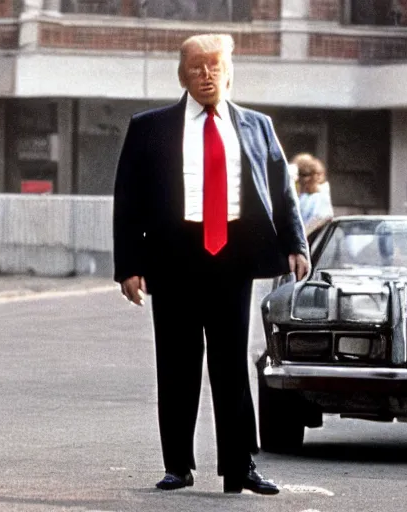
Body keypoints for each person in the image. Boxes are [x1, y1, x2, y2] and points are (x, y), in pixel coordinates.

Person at [112, 33, 309, 495]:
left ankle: (240, 466)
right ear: (182, 75)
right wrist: (129, 265)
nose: (206, 75)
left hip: (233, 257)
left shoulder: (257, 126)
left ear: (229, 72)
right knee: (176, 364)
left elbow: (281, 190)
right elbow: (128, 200)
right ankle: (177, 465)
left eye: (215, 66)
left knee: (231, 365)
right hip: (175, 255)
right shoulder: (150, 127)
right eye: (197, 67)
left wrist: (296, 243)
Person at [292, 153, 334, 236]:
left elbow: (321, 217)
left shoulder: (320, 198)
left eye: (305, 174)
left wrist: (302, 236)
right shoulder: (298, 197)